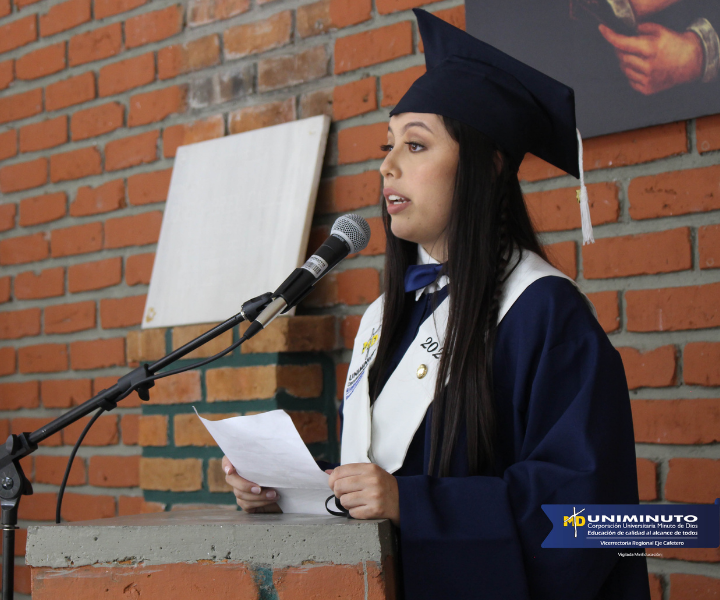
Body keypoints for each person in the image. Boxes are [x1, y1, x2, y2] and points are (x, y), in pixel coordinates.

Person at [223, 8, 651, 599]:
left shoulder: (545, 315)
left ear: (489, 164)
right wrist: (287, 489)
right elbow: (400, 469)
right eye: (388, 144)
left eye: (416, 145)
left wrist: (412, 504)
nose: (387, 165)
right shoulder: (389, 316)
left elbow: (588, 519)